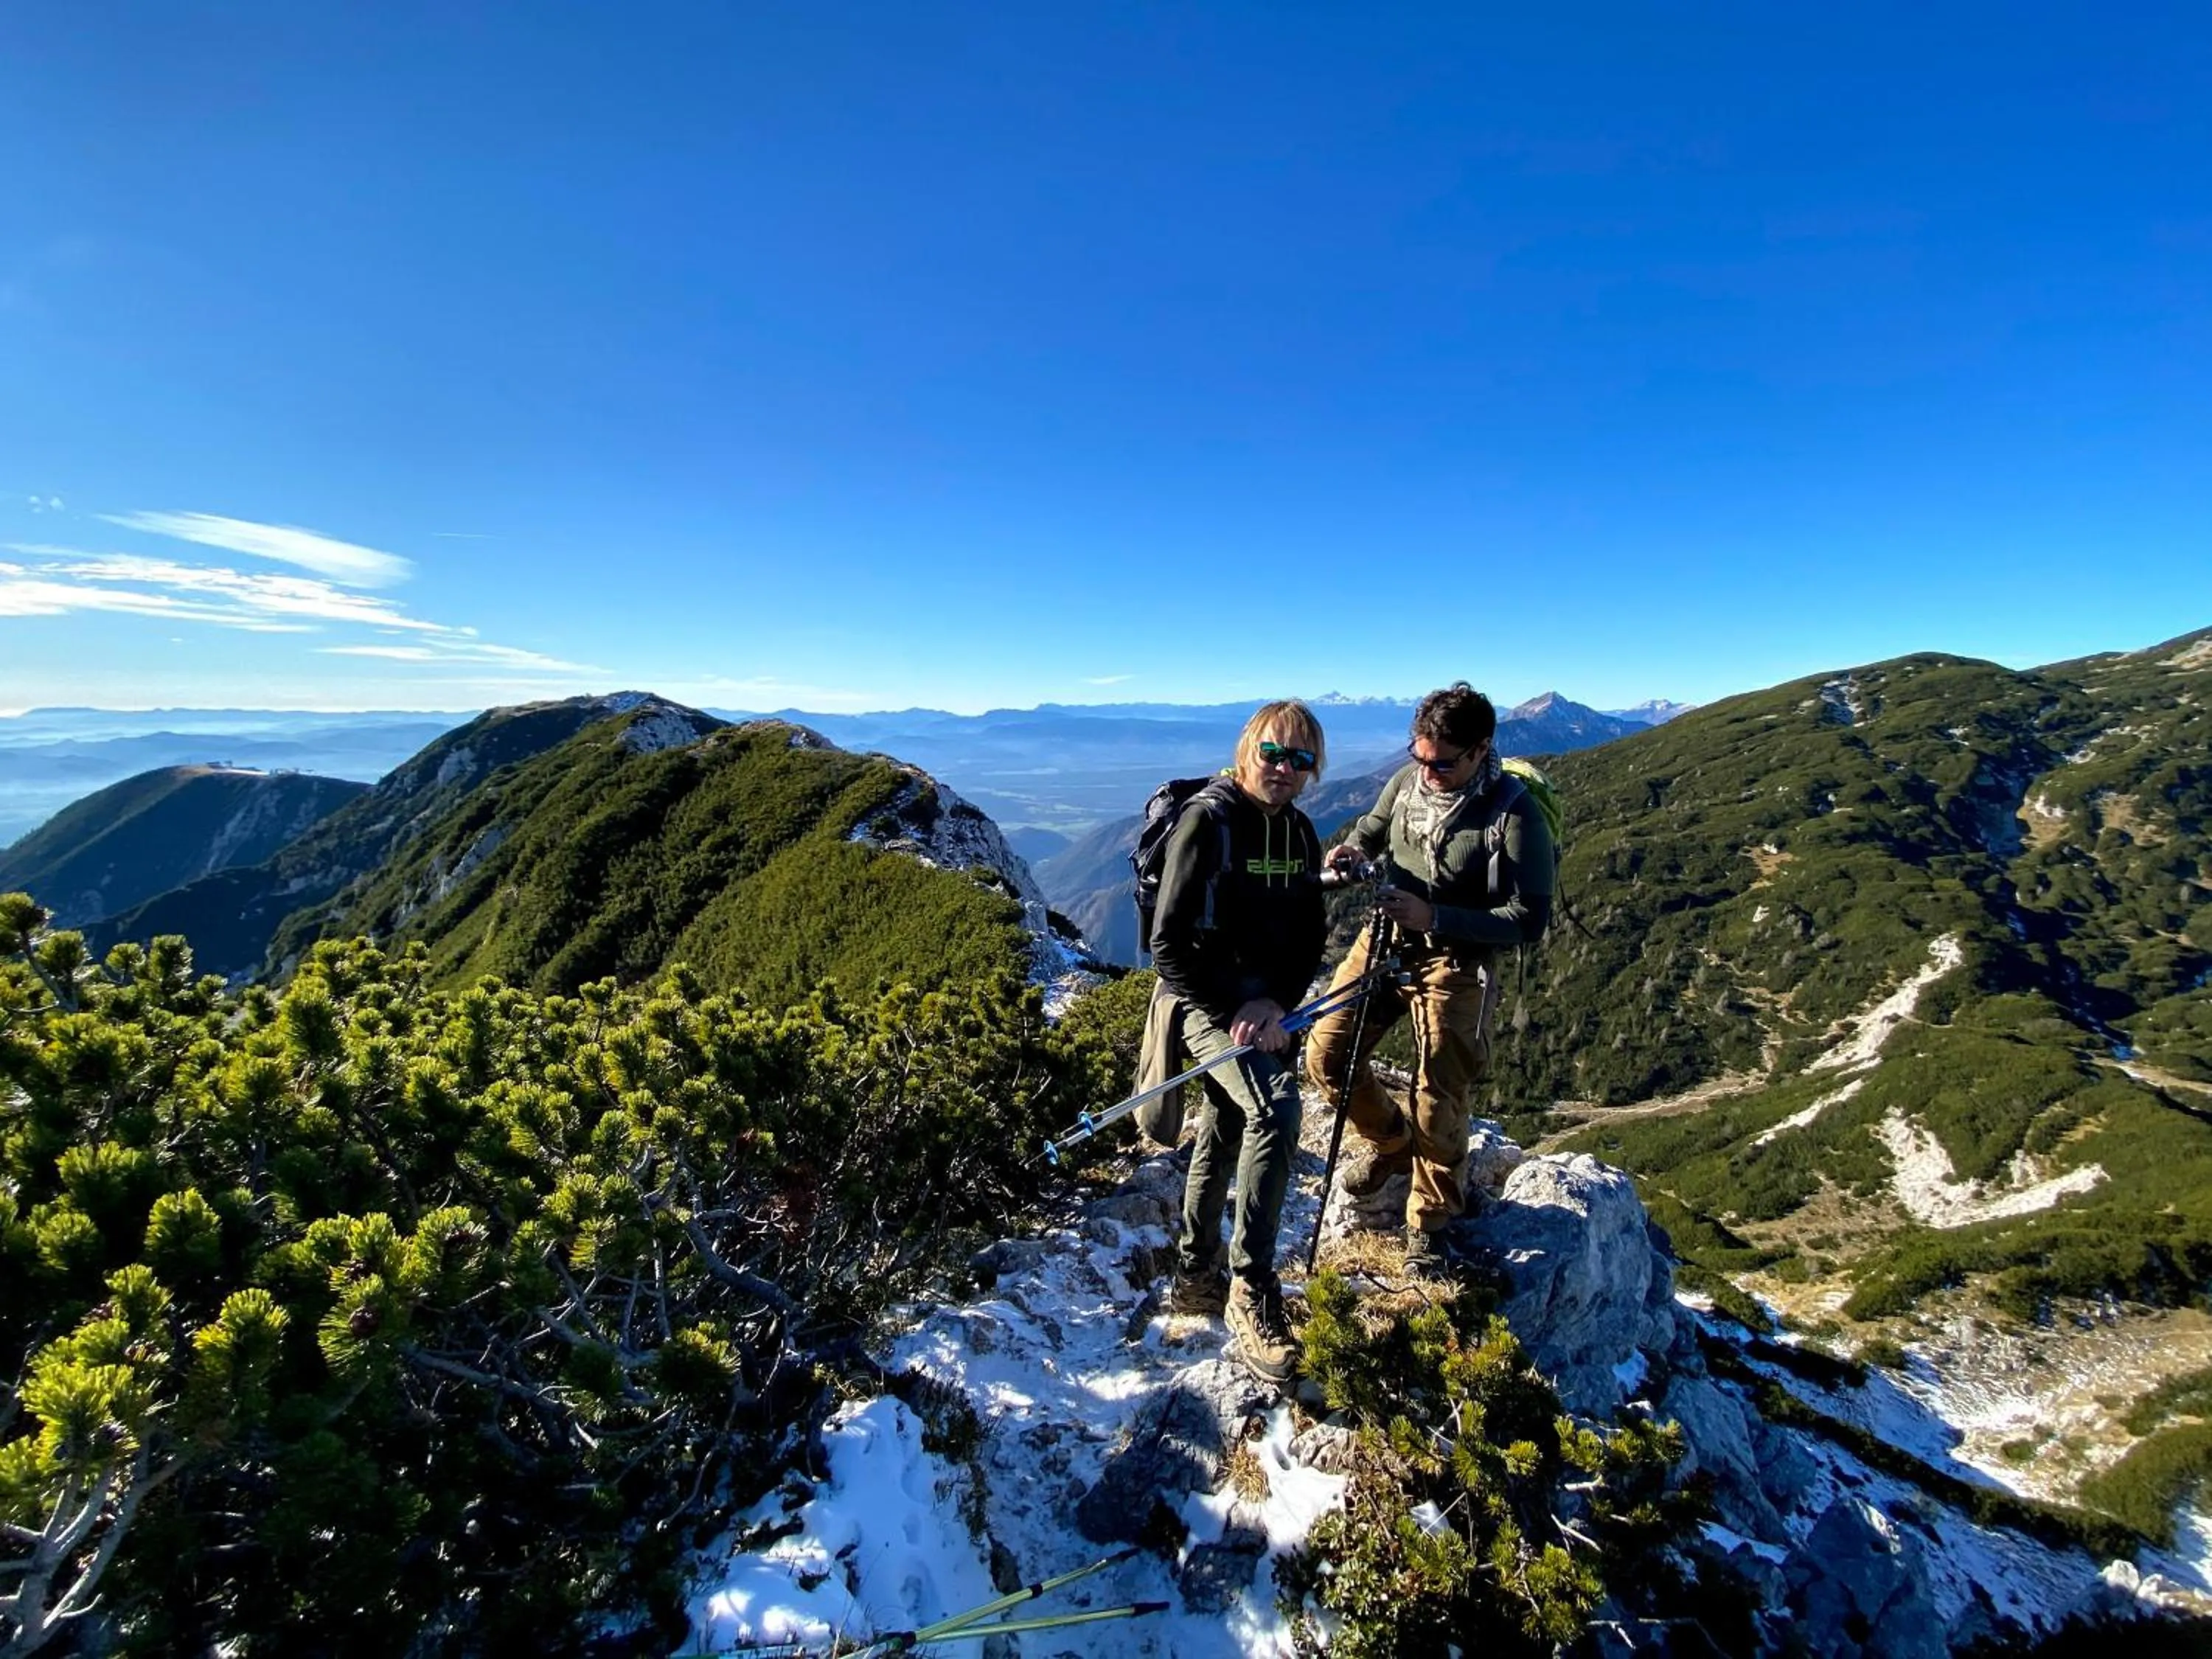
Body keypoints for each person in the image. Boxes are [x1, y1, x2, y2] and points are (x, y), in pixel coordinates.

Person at [1305, 683, 1553, 1273]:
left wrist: (1437, 916)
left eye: (1443, 762)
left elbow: (1529, 918)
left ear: (1480, 749)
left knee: (1440, 1092)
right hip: (1388, 939)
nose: (1429, 771)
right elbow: (1374, 824)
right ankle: (1393, 1145)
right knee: (1327, 1054)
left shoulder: (1514, 813)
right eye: (1419, 757)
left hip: (1457, 960)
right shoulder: (1409, 782)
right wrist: (1350, 849)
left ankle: (1432, 1219)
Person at [1149, 699, 1328, 1385]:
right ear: (1247, 748)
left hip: (1261, 1005)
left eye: (1301, 759)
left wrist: (1277, 1004)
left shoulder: (1301, 834)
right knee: (1274, 1109)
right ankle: (1251, 1289)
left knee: (1227, 1123)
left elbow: (1309, 934)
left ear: (1314, 770)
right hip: (1200, 999)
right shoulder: (1209, 821)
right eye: (1273, 753)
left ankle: (1197, 1276)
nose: (1284, 769)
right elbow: (1168, 944)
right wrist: (1236, 1007)